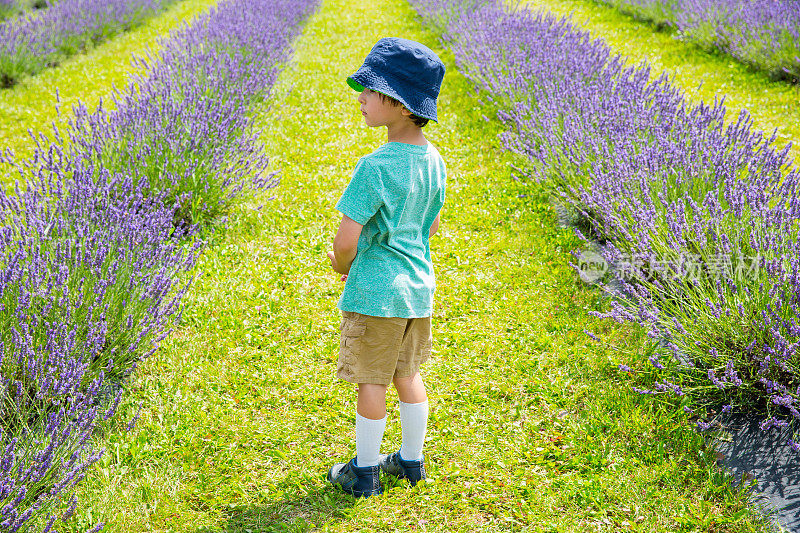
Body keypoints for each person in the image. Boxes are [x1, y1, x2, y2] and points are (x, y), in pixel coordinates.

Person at [325, 37, 446, 498]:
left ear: (396, 103)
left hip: (377, 293)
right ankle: (412, 462)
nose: (360, 98)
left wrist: (341, 263)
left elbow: (346, 240)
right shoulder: (435, 161)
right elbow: (429, 225)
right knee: (407, 375)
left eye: (369, 91)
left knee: (370, 380)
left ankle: (365, 472)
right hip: (417, 289)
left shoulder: (374, 167)